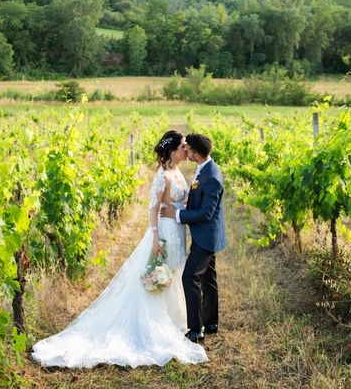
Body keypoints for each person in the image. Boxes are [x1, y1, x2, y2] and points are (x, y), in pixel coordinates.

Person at [31, 130, 208, 368]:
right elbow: (152, 209)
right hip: (164, 232)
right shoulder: (162, 175)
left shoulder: (177, 172)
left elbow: (176, 200)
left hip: (177, 229)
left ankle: (175, 318)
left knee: (174, 272)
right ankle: (157, 321)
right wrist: (155, 240)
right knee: (159, 273)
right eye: (183, 147)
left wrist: (182, 205)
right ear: (172, 150)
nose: (186, 150)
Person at [160, 133, 226, 343]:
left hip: (206, 236)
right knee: (208, 277)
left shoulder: (212, 177)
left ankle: (196, 329)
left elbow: (206, 214)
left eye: (187, 148)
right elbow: (202, 197)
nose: (185, 150)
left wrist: (177, 214)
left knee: (190, 277)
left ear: (196, 154)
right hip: (207, 235)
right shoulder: (205, 168)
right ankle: (211, 322)